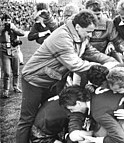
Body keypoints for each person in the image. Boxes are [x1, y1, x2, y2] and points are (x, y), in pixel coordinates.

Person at [16, 10, 118, 143]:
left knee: (51, 111)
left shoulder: (81, 35)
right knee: (27, 119)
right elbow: (75, 64)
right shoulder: (62, 37)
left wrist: (111, 62)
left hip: (52, 79)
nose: (90, 35)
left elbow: (91, 52)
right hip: (34, 80)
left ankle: (51, 137)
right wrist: (102, 68)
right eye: (88, 31)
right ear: (77, 27)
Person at [0, 13, 25, 98]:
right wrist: (2, 29)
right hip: (4, 51)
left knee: (16, 70)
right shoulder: (1, 28)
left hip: (14, 50)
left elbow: (22, 33)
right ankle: (6, 89)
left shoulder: (13, 27)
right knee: (6, 72)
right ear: (2, 21)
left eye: (8, 20)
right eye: (5, 20)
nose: (7, 22)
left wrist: (13, 28)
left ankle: (15, 86)